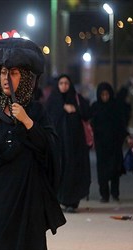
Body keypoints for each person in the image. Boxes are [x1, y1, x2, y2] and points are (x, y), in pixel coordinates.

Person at [0, 38, 66, 250]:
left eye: (14, 73)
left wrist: (27, 122)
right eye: (2, 72)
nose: (6, 78)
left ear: (27, 78)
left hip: (28, 195)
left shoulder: (37, 111)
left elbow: (50, 150)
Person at [46, 74, 91, 213]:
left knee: (74, 169)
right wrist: (62, 109)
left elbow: (87, 113)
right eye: (61, 83)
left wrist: (75, 109)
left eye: (66, 83)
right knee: (60, 169)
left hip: (76, 144)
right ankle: (62, 199)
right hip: (59, 144)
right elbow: (48, 119)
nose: (64, 86)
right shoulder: (53, 101)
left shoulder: (77, 99)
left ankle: (72, 201)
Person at [90, 82, 133, 202]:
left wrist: (127, 136)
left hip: (115, 143)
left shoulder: (116, 106)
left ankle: (115, 193)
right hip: (101, 144)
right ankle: (104, 195)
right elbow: (91, 123)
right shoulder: (95, 107)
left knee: (115, 169)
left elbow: (121, 124)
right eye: (102, 95)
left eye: (107, 94)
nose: (105, 97)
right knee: (102, 171)